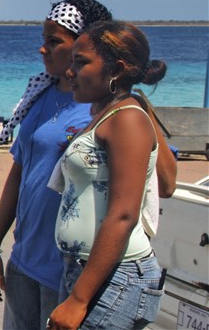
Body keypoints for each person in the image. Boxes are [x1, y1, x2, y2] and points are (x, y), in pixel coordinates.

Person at [0, 0, 113, 329]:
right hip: (24, 263)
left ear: (85, 45)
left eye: (54, 42)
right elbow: (20, 173)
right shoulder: (41, 94)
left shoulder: (104, 105)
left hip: (69, 273)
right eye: (44, 41)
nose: (43, 50)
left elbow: (157, 174)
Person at [47, 20, 168, 330]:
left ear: (116, 68)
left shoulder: (128, 119)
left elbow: (124, 214)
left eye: (81, 62)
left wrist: (78, 300)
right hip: (88, 272)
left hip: (118, 276)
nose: (70, 72)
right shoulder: (104, 115)